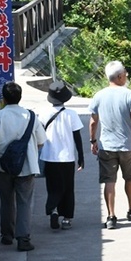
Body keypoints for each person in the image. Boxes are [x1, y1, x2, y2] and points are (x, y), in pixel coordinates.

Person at [0, 81, 47, 252]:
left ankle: (6, 235)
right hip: (27, 166)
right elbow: (41, 141)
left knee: (6, 201)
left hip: (3, 167)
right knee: (24, 202)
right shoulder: (31, 117)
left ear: (3, 98)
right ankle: (23, 238)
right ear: (20, 97)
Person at [88, 61, 131, 230]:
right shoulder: (130, 95)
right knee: (130, 178)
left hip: (106, 146)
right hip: (127, 146)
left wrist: (93, 141)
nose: (126, 76)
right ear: (120, 76)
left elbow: (93, 122)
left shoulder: (99, 95)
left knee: (109, 181)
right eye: (125, 74)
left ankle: (111, 216)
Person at [40, 80, 85, 231]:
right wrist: (81, 157)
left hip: (48, 156)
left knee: (53, 186)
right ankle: (66, 218)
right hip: (67, 157)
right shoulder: (71, 114)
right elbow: (77, 137)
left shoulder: (44, 114)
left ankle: (53, 209)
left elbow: (39, 135)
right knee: (67, 188)